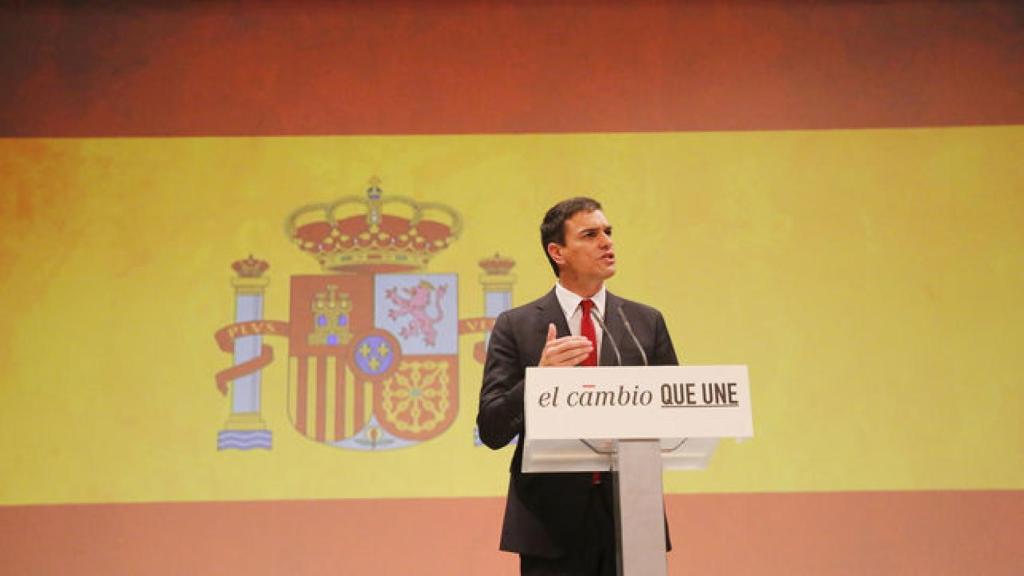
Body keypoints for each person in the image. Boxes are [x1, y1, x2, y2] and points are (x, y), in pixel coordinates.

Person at [477, 197, 679, 576]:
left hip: (633, 517)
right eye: (590, 234)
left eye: (608, 232)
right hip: (549, 523)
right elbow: (491, 428)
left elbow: (674, 415)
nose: (607, 242)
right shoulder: (515, 325)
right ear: (558, 252)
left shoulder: (644, 323)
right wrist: (539, 380)